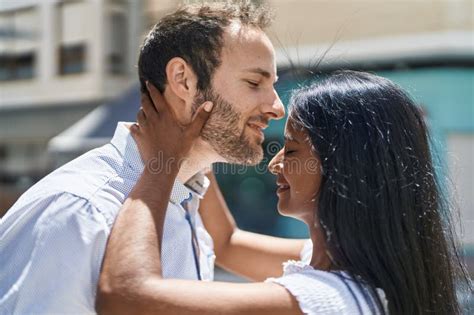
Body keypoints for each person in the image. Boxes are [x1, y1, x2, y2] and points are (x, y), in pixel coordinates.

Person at [0, 2, 310, 313]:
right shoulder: (80, 211)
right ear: (183, 80)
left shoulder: (188, 201)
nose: (277, 108)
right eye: (255, 83)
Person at [97, 71, 470, 315]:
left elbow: (124, 296)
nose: (274, 165)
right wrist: (198, 151)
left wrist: (161, 164)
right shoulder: (354, 265)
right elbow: (226, 243)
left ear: (344, 169)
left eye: (290, 150)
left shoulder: (327, 302)